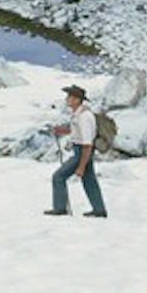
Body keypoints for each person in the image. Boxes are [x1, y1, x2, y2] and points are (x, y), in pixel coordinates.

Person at [44, 85, 108, 218]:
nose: (67, 99)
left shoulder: (84, 116)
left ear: (77, 100)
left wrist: (81, 166)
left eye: (69, 96)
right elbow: (75, 131)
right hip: (82, 151)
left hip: (83, 152)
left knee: (58, 177)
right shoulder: (79, 114)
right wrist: (61, 130)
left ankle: (60, 208)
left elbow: (87, 143)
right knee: (89, 181)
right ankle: (99, 210)